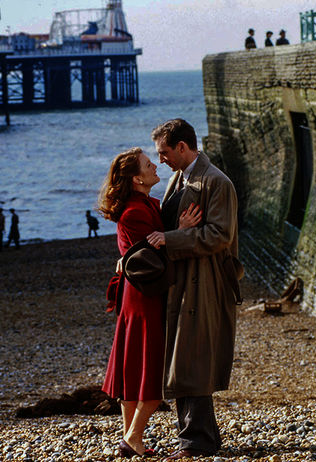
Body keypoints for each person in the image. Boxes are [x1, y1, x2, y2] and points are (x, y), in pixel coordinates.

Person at [147, 119, 242, 459]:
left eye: (164, 153)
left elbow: (219, 235)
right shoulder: (180, 178)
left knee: (192, 360)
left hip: (206, 282)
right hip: (185, 280)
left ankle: (197, 441)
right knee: (183, 359)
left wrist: (172, 238)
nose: (161, 160)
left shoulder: (217, 182)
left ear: (183, 147)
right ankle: (197, 438)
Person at [99, 147, 201, 458]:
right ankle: (131, 439)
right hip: (144, 299)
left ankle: (133, 441)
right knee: (150, 377)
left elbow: (137, 252)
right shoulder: (135, 212)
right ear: (136, 179)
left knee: (133, 373)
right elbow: (153, 259)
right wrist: (180, 233)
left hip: (137, 296)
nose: (155, 165)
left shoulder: (141, 205)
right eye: (147, 164)